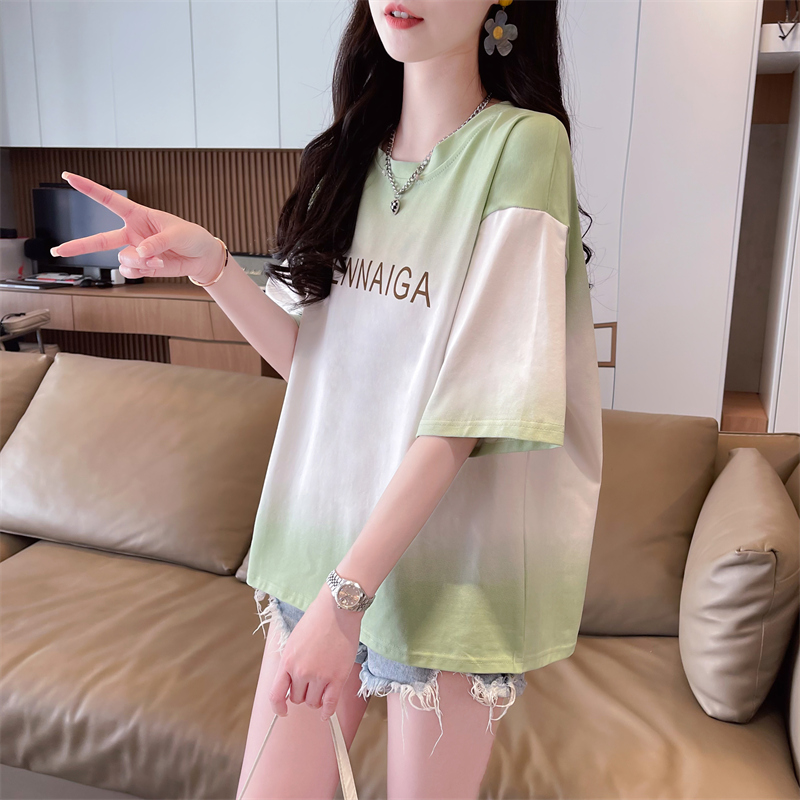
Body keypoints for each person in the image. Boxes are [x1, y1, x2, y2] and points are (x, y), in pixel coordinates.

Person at [50, 1, 603, 796]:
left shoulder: (524, 146)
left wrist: (346, 604)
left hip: (446, 573)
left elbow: (471, 412)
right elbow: (317, 372)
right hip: (321, 553)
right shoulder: (348, 156)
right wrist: (214, 268)